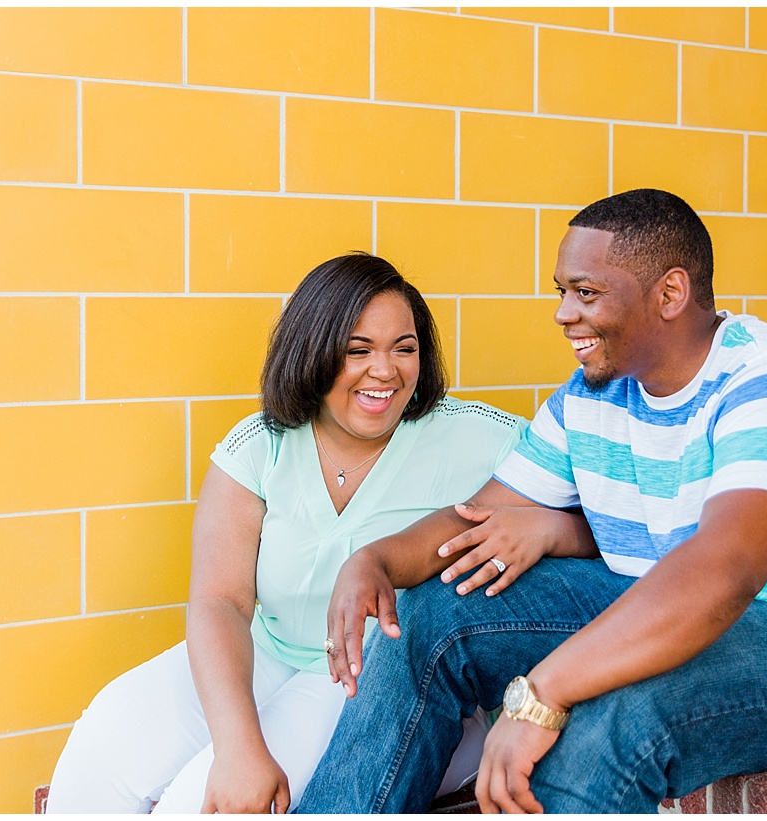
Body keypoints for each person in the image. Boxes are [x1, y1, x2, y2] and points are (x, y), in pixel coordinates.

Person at [297, 188, 767, 813]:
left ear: (669, 294)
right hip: (645, 599)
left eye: (585, 293)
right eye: (561, 291)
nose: (561, 313)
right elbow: (477, 520)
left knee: (603, 719)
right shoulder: (589, 396)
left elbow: (724, 574)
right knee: (431, 612)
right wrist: (377, 562)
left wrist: (541, 691)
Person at [45, 254, 548, 813]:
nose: (386, 371)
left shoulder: (480, 437)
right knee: (103, 753)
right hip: (266, 651)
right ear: (314, 351)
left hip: (375, 677)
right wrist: (238, 744)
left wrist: (547, 526)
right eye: (358, 350)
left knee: (199, 801)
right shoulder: (261, 444)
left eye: (404, 349)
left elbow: (583, 516)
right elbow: (221, 601)